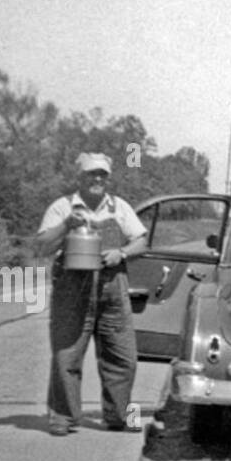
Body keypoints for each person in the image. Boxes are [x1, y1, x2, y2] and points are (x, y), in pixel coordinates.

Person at [35, 152, 148, 436]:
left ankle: (120, 416)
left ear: (107, 178)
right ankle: (63, 417)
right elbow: (42, 246)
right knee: (66, 356)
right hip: (72, 291)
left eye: (102, 175)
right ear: (80, 177)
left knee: (123, 357)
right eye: (91, 174)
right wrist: (66, 226)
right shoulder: (62, 207)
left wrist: (121, 252)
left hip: (112, 289)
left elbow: (142, 241)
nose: (97, 179)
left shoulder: (119, 207)